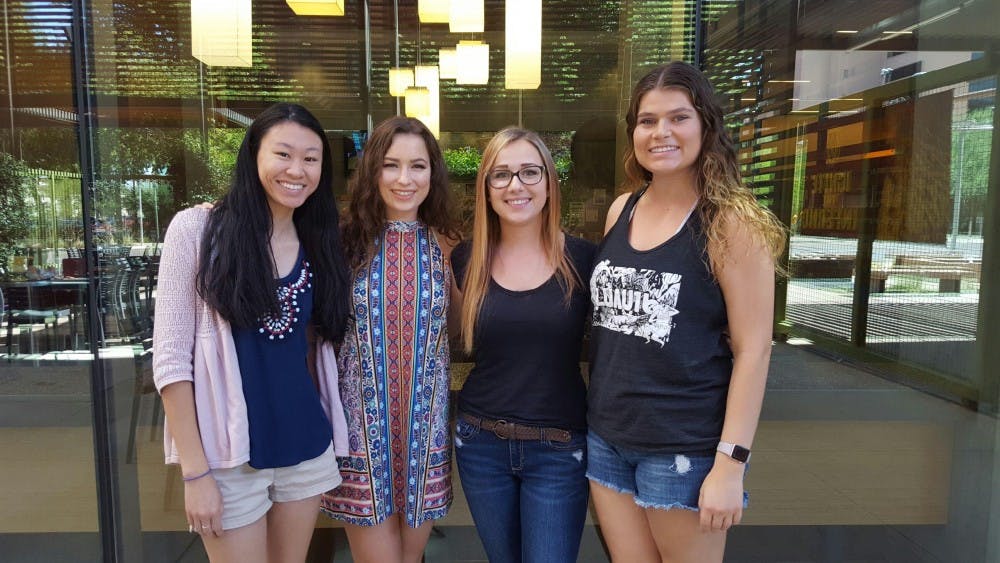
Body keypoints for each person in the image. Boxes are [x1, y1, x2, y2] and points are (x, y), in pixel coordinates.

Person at [586, 61, 786, 562]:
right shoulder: (622, 209)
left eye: (678, 117)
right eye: (647, 120)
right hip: (608, 438)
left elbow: (754, 349)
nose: (661, 133)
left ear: (705, 125)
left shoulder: (731, 223)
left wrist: (730, 464)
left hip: (684, 450)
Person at [152, 102, 352, 562]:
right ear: (254, 156)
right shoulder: (198, 230)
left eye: (311, 158)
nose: (296, 170)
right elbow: (170, 362)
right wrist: (195, 474)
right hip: (227, 458)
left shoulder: (319, 241)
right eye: (283, 154)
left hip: (304, 446)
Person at [451, 127, 595, 563]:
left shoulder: (586, 259)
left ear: (550, 183)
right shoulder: (466, 258)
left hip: (559, 446)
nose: (516, 185)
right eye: (502, 175)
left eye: (530, 172)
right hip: (480, 443)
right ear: (487, 189)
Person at [320, 116, 460, 563]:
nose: (404, 179)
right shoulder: (342, 243)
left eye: (417, 166)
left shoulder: (451, 244)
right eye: (390, 165)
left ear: (432, 174)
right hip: (363, 429)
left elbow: (458, 328)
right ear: (371, 172)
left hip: (425, 429)